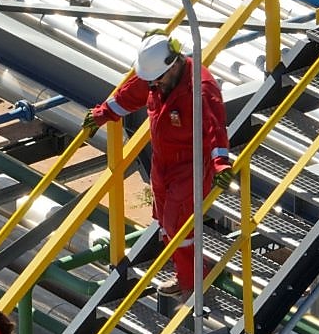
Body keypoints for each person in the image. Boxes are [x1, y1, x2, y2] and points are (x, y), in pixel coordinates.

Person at [85, 32, 233, 299]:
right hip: (162, 163)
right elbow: (131, 94)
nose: (154, 85)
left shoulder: (200, 87)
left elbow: (215, 128)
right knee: (163, 221)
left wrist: (221, 164)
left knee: (177, 225)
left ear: (175, 63)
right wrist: (101, 114)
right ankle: (185, 271)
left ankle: (193, 282)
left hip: (190, 168)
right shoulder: (157, 80)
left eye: (158, 79)